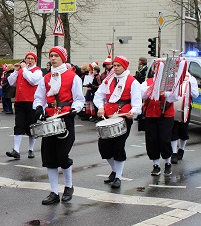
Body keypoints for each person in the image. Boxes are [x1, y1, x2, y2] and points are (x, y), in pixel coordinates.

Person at [33, 46, 84, 205]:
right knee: (49, 156)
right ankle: (54, 191)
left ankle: (68, 186)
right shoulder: (46, 77)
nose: (53, 58)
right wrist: (39, 108)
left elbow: (79, 99)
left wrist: (74, 110)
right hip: (50, 119)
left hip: (65, 118)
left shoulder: (73, 77)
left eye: (56, 56)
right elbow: (38, 98)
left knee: (62, 155)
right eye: (51, 56)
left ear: (63, 58)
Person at [94, 56, 142, 188]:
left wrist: (133, 111)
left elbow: (137, 102)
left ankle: (118, 177)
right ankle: (114, 171)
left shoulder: (133, 82)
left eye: (118, 65)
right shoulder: (108, 80)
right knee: (103, 147)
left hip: (123, 118)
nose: (115, 68)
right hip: (108, 117)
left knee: (118, 147)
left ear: (124, 67)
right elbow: (99, 96)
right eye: (114, 65)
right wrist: (101, 107)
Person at [141, 59, 186, 177]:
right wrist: (153, 88)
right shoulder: (148, 81)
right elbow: (142, 95)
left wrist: (164, 93)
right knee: (152, 140)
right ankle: (156, 165)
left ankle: (167, 162)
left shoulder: (170, 82)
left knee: (165, 139)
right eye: (156, 67)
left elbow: (175, 97)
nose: (158, 70)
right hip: (151, 114)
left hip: (166, 115)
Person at [6, 52, 43, 159]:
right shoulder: (22, 70)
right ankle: (16, 150)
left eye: (32, 59)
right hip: (20, 101)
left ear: (35, 60)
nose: (29, 60)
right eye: (28, 58)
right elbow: (11, 82)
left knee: (31, 126)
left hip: (32, 102)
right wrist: (16, 71)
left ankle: (31, 149)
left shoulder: (37, 71)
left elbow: (32, 81)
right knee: (19, 125)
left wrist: (24, 69)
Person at [170, 71, 199, 164]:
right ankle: (173, 153)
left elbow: (195, 94)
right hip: (172, 106)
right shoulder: (171, 77)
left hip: (185, 106)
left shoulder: (191, 78)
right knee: (173, 129)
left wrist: (188, 89)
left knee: (183, 129)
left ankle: (181, 149)